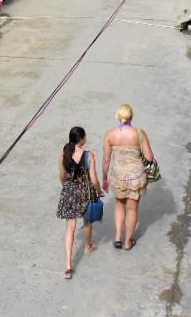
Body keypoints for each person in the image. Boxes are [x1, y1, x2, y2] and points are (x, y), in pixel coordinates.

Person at [103, 105, 154, 250]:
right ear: (131, 116)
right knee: (132, 209)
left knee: (119, 204)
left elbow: (106, 159)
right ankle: (127, 242)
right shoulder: (139, 133)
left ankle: (118, 236)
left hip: (118, 176)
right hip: (136, 177)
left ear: (118, 117)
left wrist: (105, 178)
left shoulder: (110, 134)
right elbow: (149, 158)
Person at [57, 126, 101, 279]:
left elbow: (62, 176)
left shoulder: (63, 155)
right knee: (87, 221)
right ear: (82, 139)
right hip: (85, 192)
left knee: (70, 228)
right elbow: (94, 179)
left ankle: (68, 264)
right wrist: (99, 190)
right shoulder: (89, 156)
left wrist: (67, 187)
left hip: (69, 192)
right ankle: (88, 246)